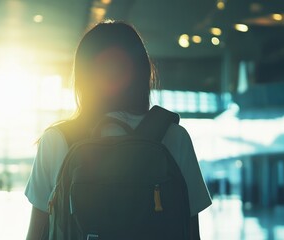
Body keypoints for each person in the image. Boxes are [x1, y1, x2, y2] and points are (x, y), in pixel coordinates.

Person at [25, 20, 212, 239]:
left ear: (83, 76)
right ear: (143, 72)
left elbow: (36, 234)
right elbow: (190, 233)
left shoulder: (57, 140)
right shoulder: (173, 136)